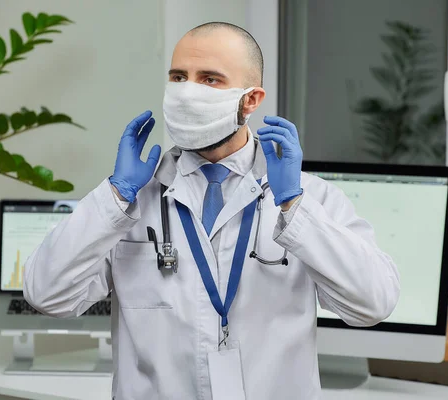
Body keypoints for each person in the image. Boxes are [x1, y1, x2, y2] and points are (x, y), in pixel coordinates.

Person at [24, 22, 400, 400]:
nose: (188, 93)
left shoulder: (310, 198)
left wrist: (294, 206)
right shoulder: (132, 199)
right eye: (178, 77)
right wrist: (115, 197)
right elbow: (47, 294)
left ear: (250, 100)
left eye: (209, 80)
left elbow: (372, 303)